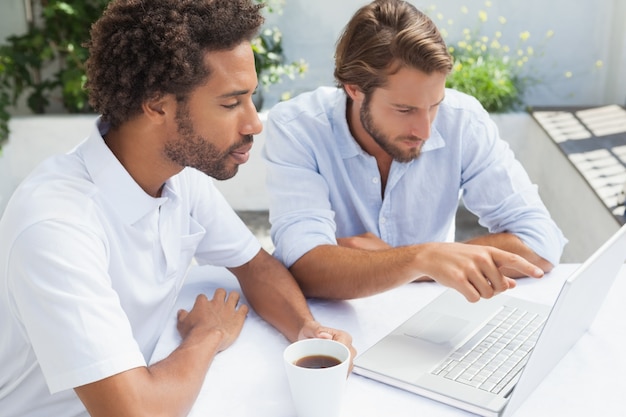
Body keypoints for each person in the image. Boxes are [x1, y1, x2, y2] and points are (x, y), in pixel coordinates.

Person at [0, 1, 354, 416]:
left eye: (251, 98)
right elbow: (137, 412)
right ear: (156, 104)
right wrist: (206, 334)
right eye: (230, 103)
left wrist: (307, 331)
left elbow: (256, 266)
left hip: (156, 381)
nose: (254, 123)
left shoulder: (178, 176)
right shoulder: (56, 228)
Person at [262, 0, 567, 302]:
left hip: (428, 314)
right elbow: (303, 266)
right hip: (338, 323)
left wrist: (422, 262)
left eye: (434, 105)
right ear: (354, 89)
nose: (425, 130)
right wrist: (425, 259)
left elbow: (540, 241)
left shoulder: (463, 120)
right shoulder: (297, 127)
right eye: (404, 109)